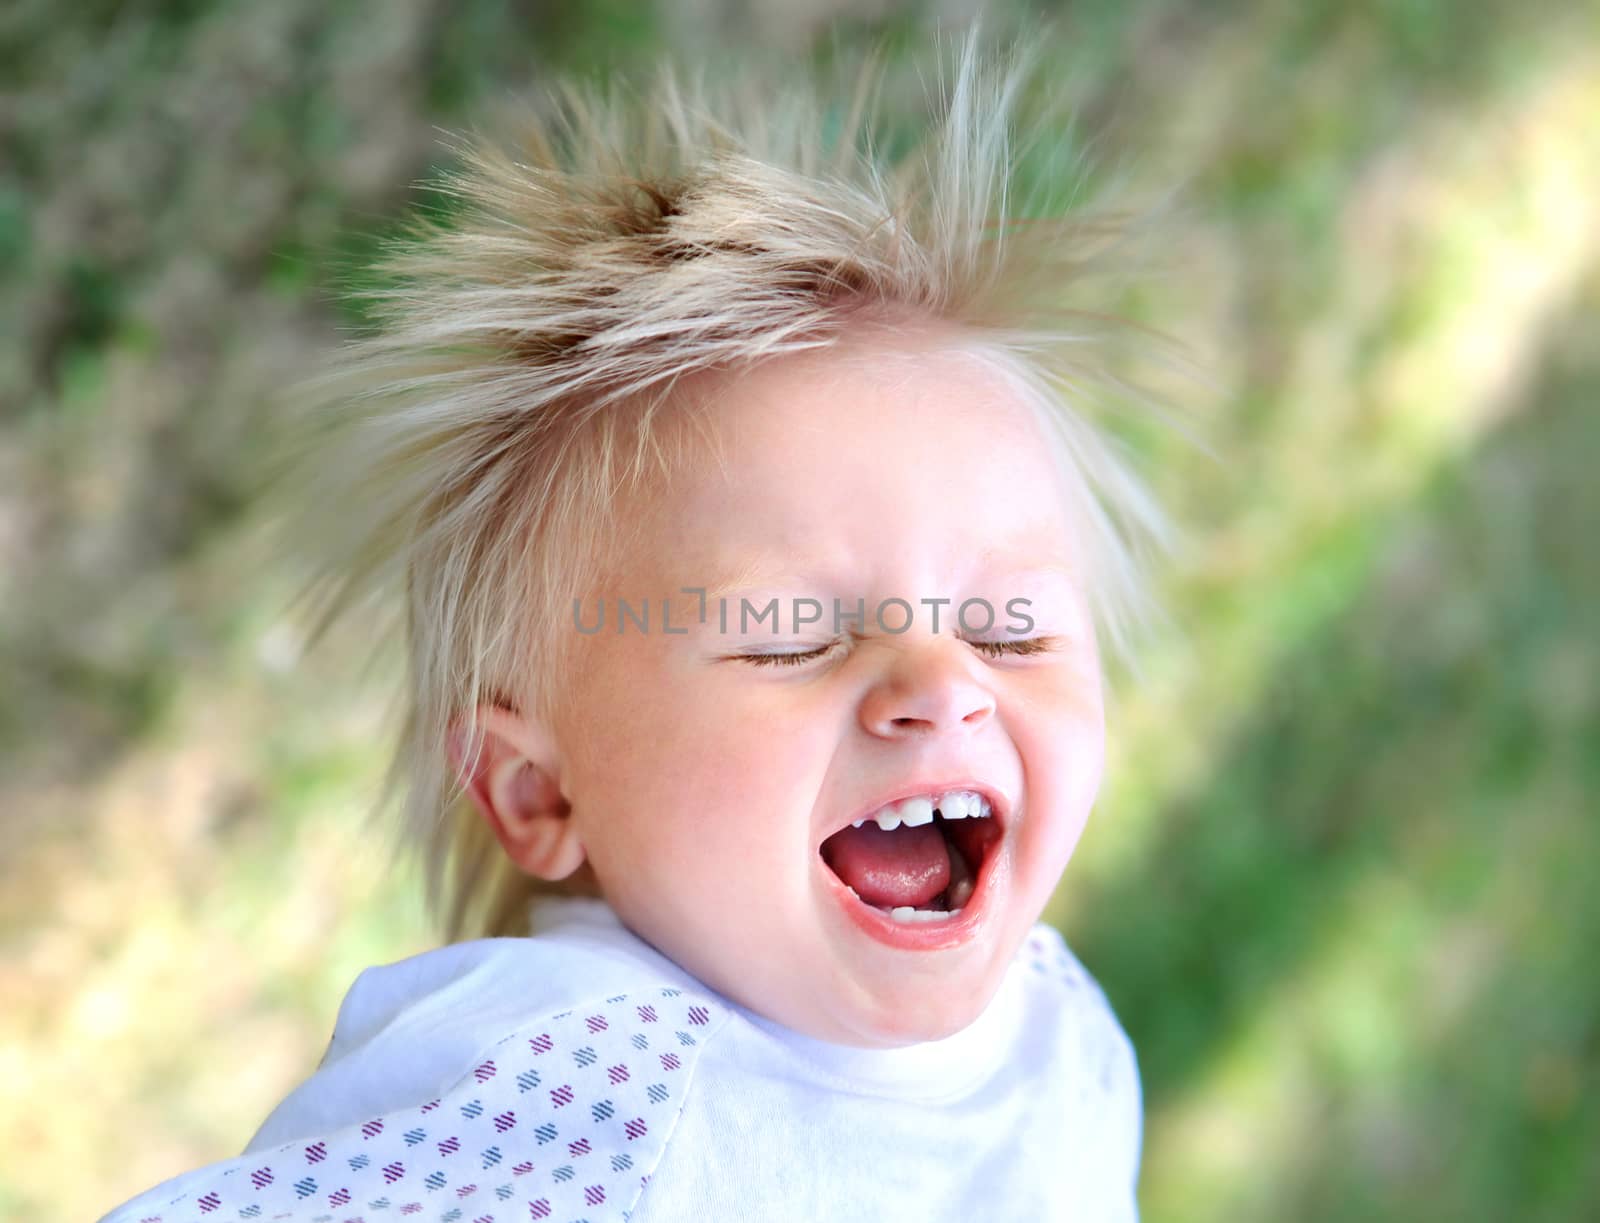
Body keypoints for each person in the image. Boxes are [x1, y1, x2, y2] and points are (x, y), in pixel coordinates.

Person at [101, 25, 1182, 1223]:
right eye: (787, 633)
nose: (940, 682)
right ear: (538, 794)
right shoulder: (575, 1091)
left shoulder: (1059, 1034)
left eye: (1011, 626)